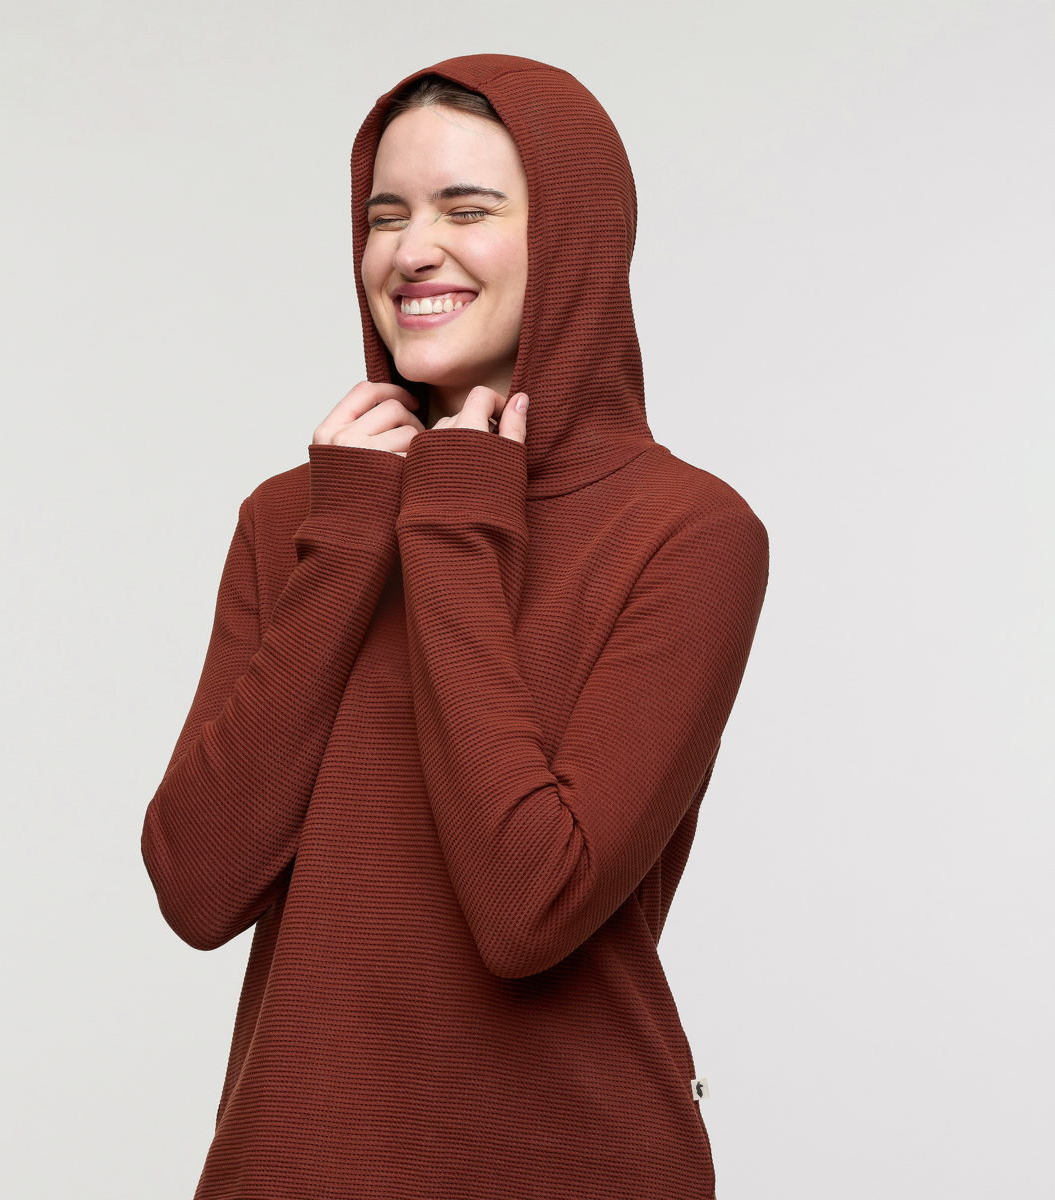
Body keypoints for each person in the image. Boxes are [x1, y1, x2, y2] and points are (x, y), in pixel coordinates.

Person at [142, 53, 769, 1200]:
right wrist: (347, 548)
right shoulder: (298, 520)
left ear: (574, 242)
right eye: (385, 216)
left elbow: (529, 907)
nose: (411, 250)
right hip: (298, 1167)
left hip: (574, 1170)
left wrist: (450, 530)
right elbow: (197, 885)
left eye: (466, 210)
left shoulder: (688, 532)